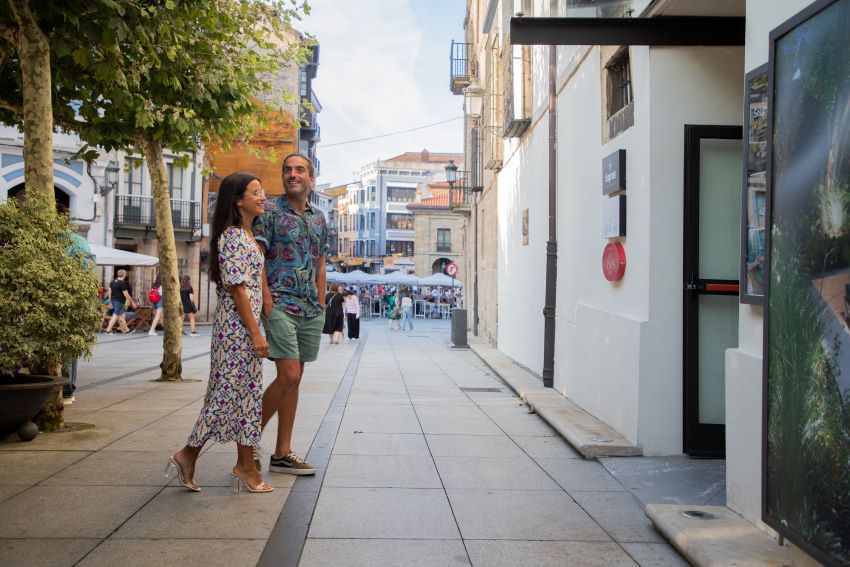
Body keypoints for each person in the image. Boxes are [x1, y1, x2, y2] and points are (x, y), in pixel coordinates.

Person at [168, 172, 271, 493]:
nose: (263, 195)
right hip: (236, 331)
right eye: (255, 192)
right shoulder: (232, 237)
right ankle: (189, 453)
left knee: (247, 397)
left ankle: (244, 465)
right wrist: (255, 333)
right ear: (238, 200)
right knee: (227, 395)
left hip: (244, 327)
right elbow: (239, 290)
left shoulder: (246, 236)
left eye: (261, 190)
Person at [254, 153, 328, 475]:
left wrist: (322, 303)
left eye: (299, 170)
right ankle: (247, 438)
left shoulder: (319, 218)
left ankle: (282, 453)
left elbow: (320, 261)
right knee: (289, 375)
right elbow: (257, 258)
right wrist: (266, 302)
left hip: (310, 308)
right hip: (280, 303)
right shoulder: (269, 211)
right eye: (287, 170)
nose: (292, 174)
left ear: (311, 178)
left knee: (295, 382)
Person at [105, 269, 136, 335]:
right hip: (119, 302)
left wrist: (110, 301)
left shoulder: (112, 282)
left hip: (113, 301)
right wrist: (132, 302)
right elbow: (126, 294)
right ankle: (108, 330)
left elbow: (110, 292)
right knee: (115, 315)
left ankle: (127, 330)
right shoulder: (122, 283)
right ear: (124, 275)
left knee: (121, 316)